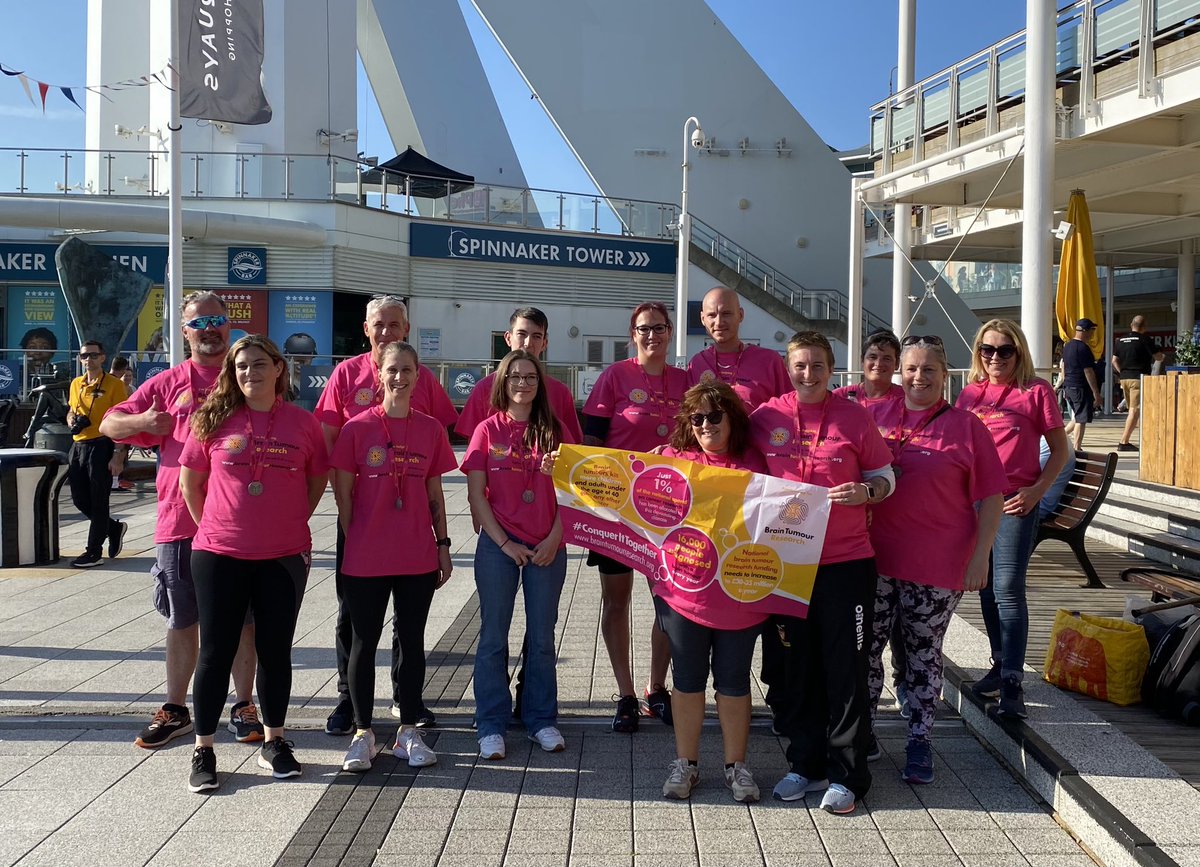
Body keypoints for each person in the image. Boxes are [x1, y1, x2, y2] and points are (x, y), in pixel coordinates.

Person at [102, 292, 263, 750]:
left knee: (244, 622)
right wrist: (144, 422)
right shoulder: (169, 383)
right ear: (185, 331)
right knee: (182, 618)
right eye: (199, 322)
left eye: (217, 319)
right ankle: (176, 708)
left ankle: (244, 704)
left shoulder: (248, 378)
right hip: (180, 522)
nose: (209, 328)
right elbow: (110, 423)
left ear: (228, 325)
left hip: (241, 524)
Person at [750, 331, 895, 816]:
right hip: (786, 564)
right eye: (799, 365)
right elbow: (730, 470)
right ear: (787, 368)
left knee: (845, 670)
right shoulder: (765, 417)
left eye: (816, 365)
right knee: (797, 668)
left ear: (832, 370)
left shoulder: (855, 417)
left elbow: (886, 476)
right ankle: (805, 764)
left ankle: (848, 774)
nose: (807, 373)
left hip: (845, 564)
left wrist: (867, 493)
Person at [178, 335, 327, 793]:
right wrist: (219, 530)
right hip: (219, 555)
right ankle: (204, 748)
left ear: (279, 368)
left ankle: (276, 741)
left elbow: (317, 478)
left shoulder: (303, 424)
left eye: (258, 364)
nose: (249, 373)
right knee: (215, 652)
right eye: (241, 366)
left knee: (276, 650)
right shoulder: (211, 420)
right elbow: (191, 484)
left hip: (282, 556)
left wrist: (285, 522)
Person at [864, 336, 1005, 784]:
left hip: (937, 564)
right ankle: (862, 732)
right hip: (875, 559)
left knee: (924, 655)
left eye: (929, 370)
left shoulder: (966, 426)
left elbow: (993, 497)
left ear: (946, 375)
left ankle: (920, 739)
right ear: (897, 371)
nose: (918, 377)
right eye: (910, 368)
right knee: (865, 650)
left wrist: (981, 557)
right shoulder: (875, 416)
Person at [314, 295, 457, 736]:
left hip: (410, 527)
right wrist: (349, 520)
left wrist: (441, 539)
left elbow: (436, 444)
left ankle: (403, 698)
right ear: (366, 328)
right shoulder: (345, 375)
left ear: (406, 330)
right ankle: (348, 700)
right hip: (359, 521)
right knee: (351, 617)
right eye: (379, 324)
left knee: (408, 624)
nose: (386, 331)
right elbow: (331, 445)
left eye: (395, 324)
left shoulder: (424, 378)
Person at [655, 380, 769, 803]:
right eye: (696, 418)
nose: (705, 425)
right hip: (684, 591)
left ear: (732, 419)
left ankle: (736, 766)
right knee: (686, 678)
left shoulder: (757, 462)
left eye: (714, 416)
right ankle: (685, 765)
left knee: (735, 679)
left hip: (740, 590)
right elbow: (619, 483)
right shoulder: (670, 459)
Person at [582, 301, 689, 732]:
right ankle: (625, 694)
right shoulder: (614, 377)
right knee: (618, 599)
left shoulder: (686, 381)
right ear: (633, 333)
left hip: (669, 511)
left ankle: (655, 688)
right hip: (619, 511)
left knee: (667, 600)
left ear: (670, 331)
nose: (652, 336)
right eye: (644, 329)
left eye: (659, 328)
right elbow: (591, 442)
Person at [957, 319, 1069, 719]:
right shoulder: (970, 394)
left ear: (1019, 352)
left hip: (1014, 503)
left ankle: (1012, 682)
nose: (995, 358)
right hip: (975, 503)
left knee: (1006, 587)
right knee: (985, 588)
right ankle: (999, 661)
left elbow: (1059, 451)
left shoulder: (1034, 391)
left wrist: (1037, 491)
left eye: (1005, 350)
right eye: (988, 350)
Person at [464, 350, 572, 761]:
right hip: (499, 545)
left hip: (548, 544)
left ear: (540, 384)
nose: (523, 384)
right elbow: (476, 495)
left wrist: (554, 538)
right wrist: (505, 543)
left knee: (542, 638)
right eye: (515, 377)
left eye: (530, 377)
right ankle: (491, 722)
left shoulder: (556, 431)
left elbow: (575, 495)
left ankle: (540, 719)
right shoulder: (486, 431)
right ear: (502, 383)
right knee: (494, 637)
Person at [832, 329, 908, 718]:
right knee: (871, 614)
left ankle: (903, 679)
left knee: (897, 612)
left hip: (893, 514)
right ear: (861, 361)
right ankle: (863, 703)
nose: (879, 365)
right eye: (872, 357)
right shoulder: (842, 398)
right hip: (850, 524)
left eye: (887, 359)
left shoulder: (905, 401)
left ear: (897, 365)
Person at [64, 340, 129, 568]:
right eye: (84, 356)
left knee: (99, 500)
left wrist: (119, 453)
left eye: (93, 355)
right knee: (80, 499)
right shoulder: (76, 384)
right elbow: (71, 410)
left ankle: (93, 551)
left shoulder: (114, 385)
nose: (88, 360)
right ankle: (112, 527)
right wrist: (72, 420)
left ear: (103, 358)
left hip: (103, 444)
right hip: (79, 444)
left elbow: (123, 420)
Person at [686, 287, 790, 410]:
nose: (719, 322)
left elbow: (789, 409)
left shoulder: (769, 361)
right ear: (703, 319)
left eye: (726, 314)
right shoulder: (697, 363)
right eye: (712, 315)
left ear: (740, 315)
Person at [1112, 315, 1164, 452]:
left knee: (1134, 410)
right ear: (1144, 327)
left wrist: (1122, 372)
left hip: (1124, 378)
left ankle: (1144, 438)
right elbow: (1158, 357)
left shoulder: (1120, 340)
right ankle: (1124, 441)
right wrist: (1161, 357)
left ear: (1131, 324)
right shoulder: (1145, 340)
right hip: (1138, 378)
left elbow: (1114, 360)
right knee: (1135, 411)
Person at [1058, 318, 1101, 451]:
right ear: (1085, 331)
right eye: (1092, 331)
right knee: (1081, 419)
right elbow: (1088, 371)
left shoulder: (1068, 346)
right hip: (1080, 387)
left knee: (1077, 416)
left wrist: (1065, 383)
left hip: (1069, 386)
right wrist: (1096, 392)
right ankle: (1077, 447)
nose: (1092, 334)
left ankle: (1059, 438)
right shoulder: (1083, 348)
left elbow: (1063, 367)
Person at [107, 357, 136, 492]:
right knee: (118, 454)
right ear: (123, 369)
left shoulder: (104, 381)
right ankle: (113, 482)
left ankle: (115, 481)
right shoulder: (117, 385)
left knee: (119, 455)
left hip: (109, 424)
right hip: (119, 425)